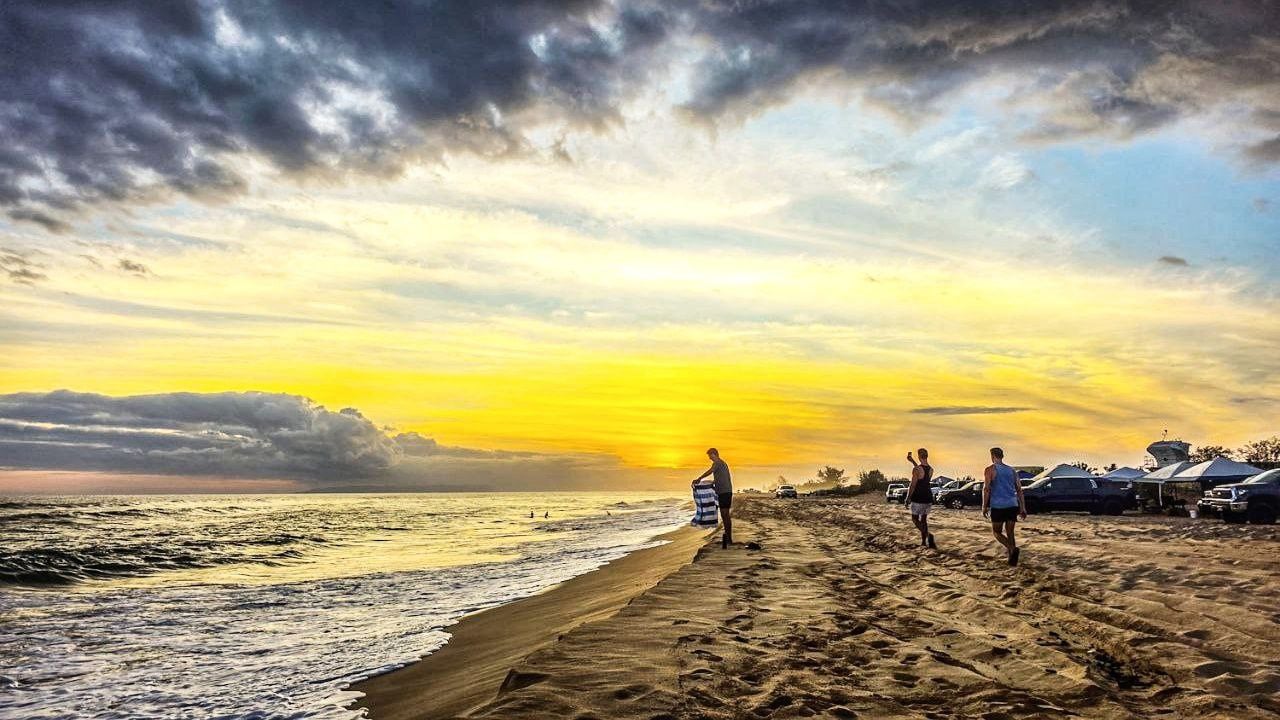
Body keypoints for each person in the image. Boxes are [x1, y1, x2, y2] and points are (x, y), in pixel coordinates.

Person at [983, 447, 1027, 566]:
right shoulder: (1012, 471)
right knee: (1010, 532)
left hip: (998, 505)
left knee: (997, 532)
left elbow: (986, 489)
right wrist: (1023, 507)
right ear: (1002, 456)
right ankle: (1012, 559)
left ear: (992, 456)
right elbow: (1019, 490)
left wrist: (984, 506)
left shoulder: (990, 469)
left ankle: (1012, 548)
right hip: (1012, 505)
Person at [693, 448, 733, 549]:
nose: (709, 458)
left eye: (710, 455)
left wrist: (699, 479)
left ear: (714, 454)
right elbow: (719, 478)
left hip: (725, 492)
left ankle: (729, 539)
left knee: (725, 515)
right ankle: (728, 538)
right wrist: (711, 484)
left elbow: (710, 471)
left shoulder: (718, 462)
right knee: (725, 515)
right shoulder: (722, 464)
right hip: (724, 491)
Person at [905, 448, 937, 549]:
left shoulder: (916, 469)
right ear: (927, 456)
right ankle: (924, 542)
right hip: (928, 497)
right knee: (923, 520)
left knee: (915, 519)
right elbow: (922, 473)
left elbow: (913, 485)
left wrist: (907, 498)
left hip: (918, 497)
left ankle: (928, 535)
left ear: (919, 456)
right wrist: (912, 461)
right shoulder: (931, 469)